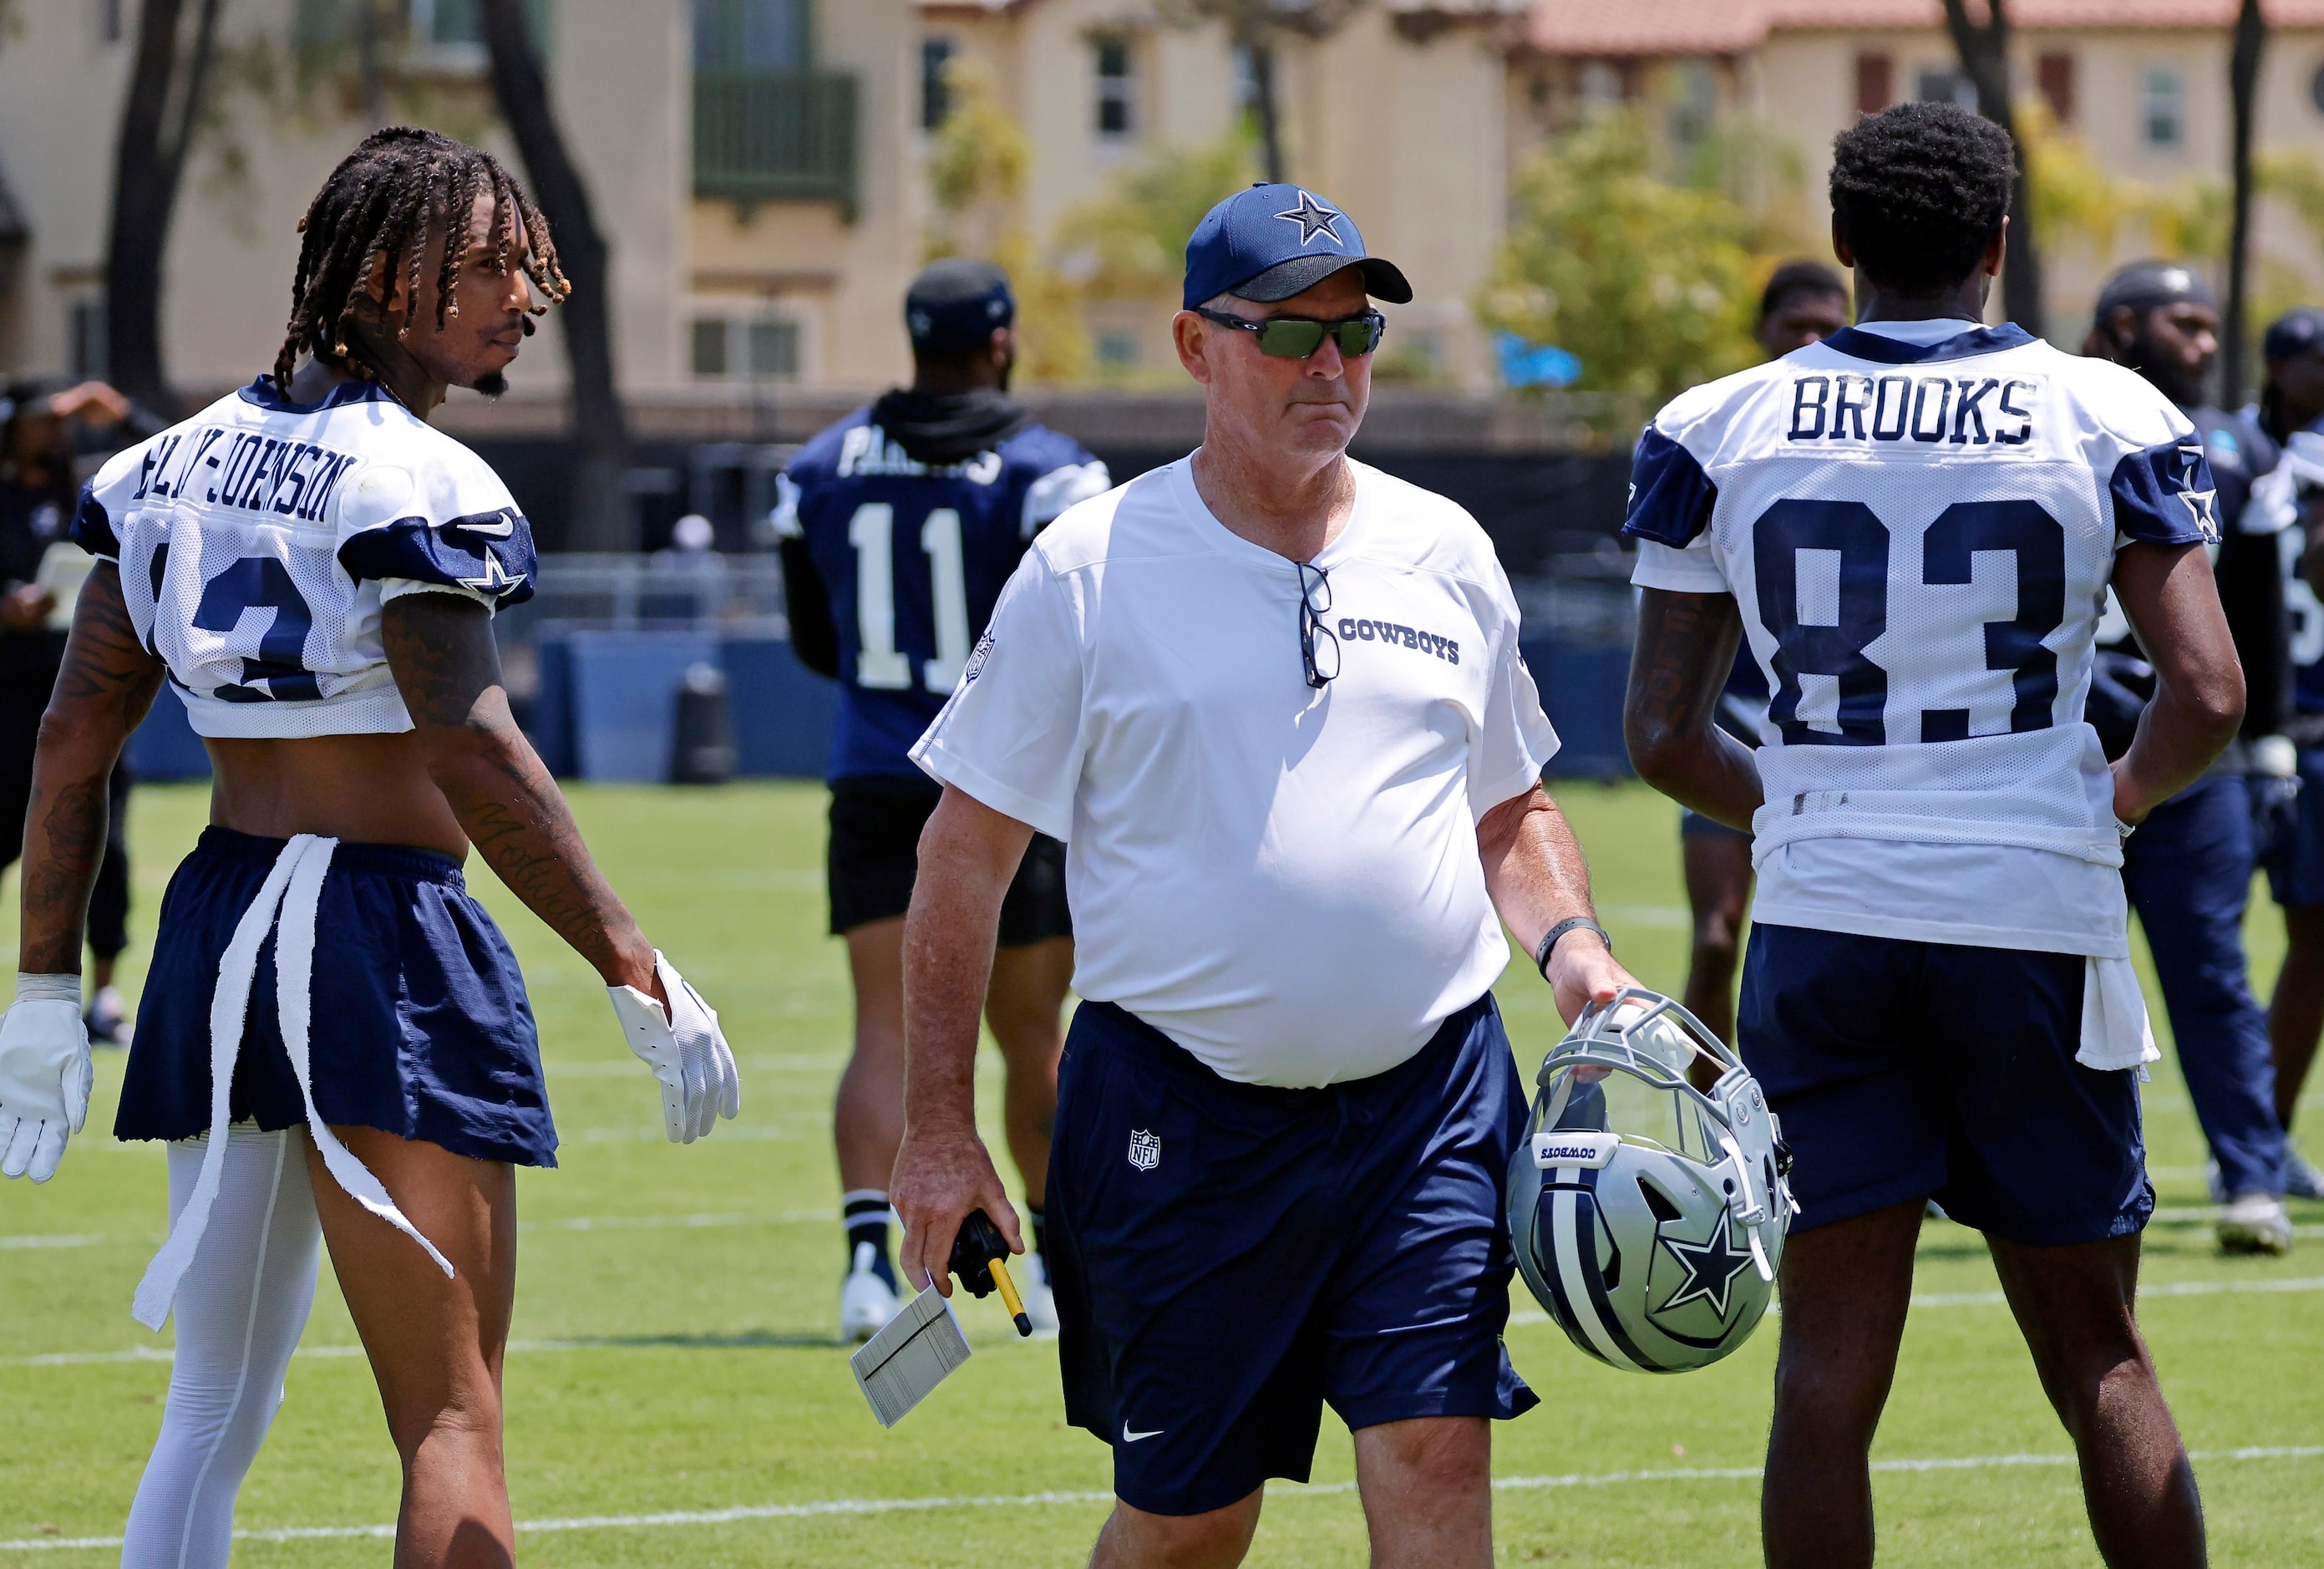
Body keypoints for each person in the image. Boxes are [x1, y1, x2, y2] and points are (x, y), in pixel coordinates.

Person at [0, 128, 741, 1569]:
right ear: (378, 275)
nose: (522, 294)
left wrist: (40, 983)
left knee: (209, 1403)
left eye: (525, 264)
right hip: (379, 933)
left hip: (217, 928)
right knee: (453, 1417)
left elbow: (73, 738)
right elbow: (472, 745)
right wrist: (631, 962)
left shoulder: (159, 465)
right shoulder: (415, 478)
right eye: (483, 265)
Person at [891, 182, 1634, 1569]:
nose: (1330, 366)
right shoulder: (1087, 566)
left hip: (1429, 1099)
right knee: (1189, 1521)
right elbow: (960, 854)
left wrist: (1574, 948)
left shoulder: (1445, 549)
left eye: (1355, 332)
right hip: (1178, 1117)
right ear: (1192, 345)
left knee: (1433, 1454)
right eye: (1287, 334)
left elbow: (1508, 802)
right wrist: (938, 1119)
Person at [1624, 103, 2225, 1566]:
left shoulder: (1714, 424)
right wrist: (2117, 795)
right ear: (1996, 248)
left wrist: (1831, 804)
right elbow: (2205, 690)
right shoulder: (2107, 411)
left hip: (1826, 916)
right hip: (2030, 904)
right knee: (2098, 1355)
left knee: (1825, 1373)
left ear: (1841, 244)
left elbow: (1658, 732)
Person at [774, 257, 1109, 1341]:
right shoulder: (1052, 472)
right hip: (1006, 777)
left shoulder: (821, 464)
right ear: (1001, 338)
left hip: (878, 768)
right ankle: (1055, 1263)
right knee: (1030, 1030)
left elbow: (814, 639)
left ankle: (867, 1266)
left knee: (882, 1027)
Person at [2082, 262, 2296, 1252]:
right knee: (2044, 975)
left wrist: (2271, 746)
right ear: (2124, 324)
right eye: (2186, 324)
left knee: (2210, 969)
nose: (2207, 344)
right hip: (2060, 756)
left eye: (2214, 327)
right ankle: (2016, 1170)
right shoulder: (2054, 415)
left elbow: (2252, 609)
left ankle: (2250, 1176)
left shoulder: (2236, 450)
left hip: (2193, 762)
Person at [1679, 262, 1849, 1045]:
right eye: (1795, 326)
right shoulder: (1724, 433)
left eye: (1828, 325)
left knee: (1839, 940)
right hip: (1739, 717)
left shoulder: (1873, 446)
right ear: (1763, 333)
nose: (1812, 341)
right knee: (1718, 936)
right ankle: (1714, 1115)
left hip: (1837, 732)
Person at [0, 378, 157, 1042]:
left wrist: (123, 414)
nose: (55, 431)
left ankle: (104, 1000)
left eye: (61, 420)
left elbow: (187, 463)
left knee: (105, 848)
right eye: (40, 420)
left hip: (91, 697)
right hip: (8, 701)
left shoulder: (88, 493)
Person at [2252, 306, 2324, 1198]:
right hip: (2268, 728)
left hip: (2309, 727)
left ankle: (2259, 1137)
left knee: (2313, 945)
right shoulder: (2254, 455)